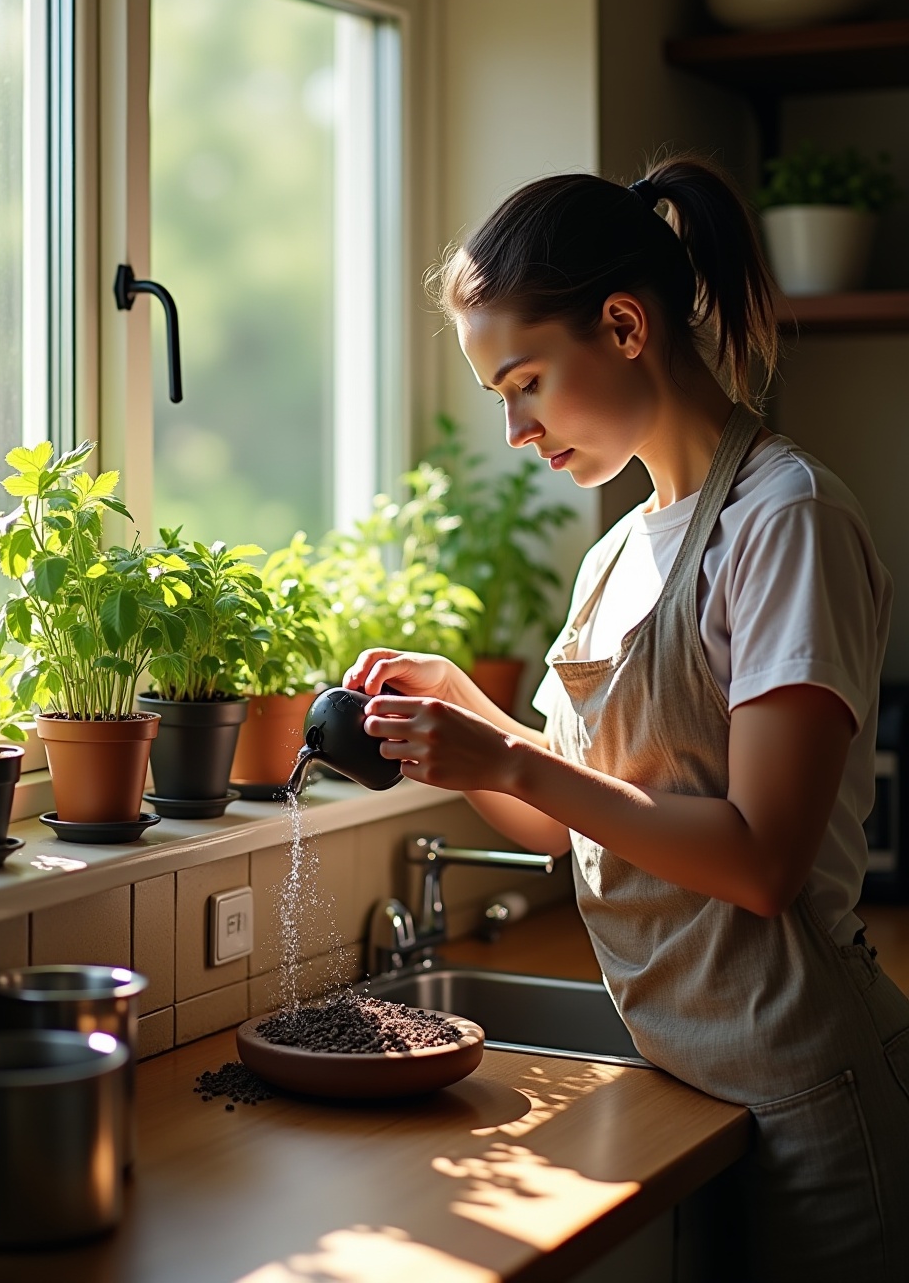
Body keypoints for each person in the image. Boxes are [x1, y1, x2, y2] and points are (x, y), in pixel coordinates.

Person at [344, 157, 909, 1282]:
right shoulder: (613, 556)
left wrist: (508, 754)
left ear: (620, 324)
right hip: (686, 1082)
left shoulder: (783, 520)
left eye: (524, 382)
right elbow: (567, 828)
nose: (514, 428)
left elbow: (760, 863)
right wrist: (461, 721)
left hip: (813, 1098)